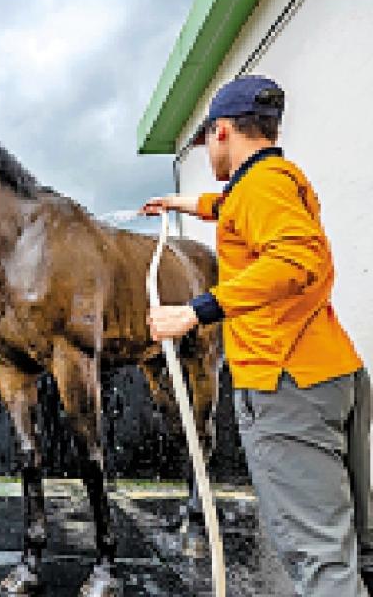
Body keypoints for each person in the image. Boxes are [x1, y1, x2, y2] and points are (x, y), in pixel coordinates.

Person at [140, 74, 372, 596]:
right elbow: (232, 208)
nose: (206, 154)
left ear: (222, 131)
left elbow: (296, 258)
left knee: (320, 560)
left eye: (205, 142)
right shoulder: (274, 180)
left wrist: (194, 312)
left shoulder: (262, 187)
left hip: (287, 389)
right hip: (332, 372)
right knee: (353, 543)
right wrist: (180, 205)